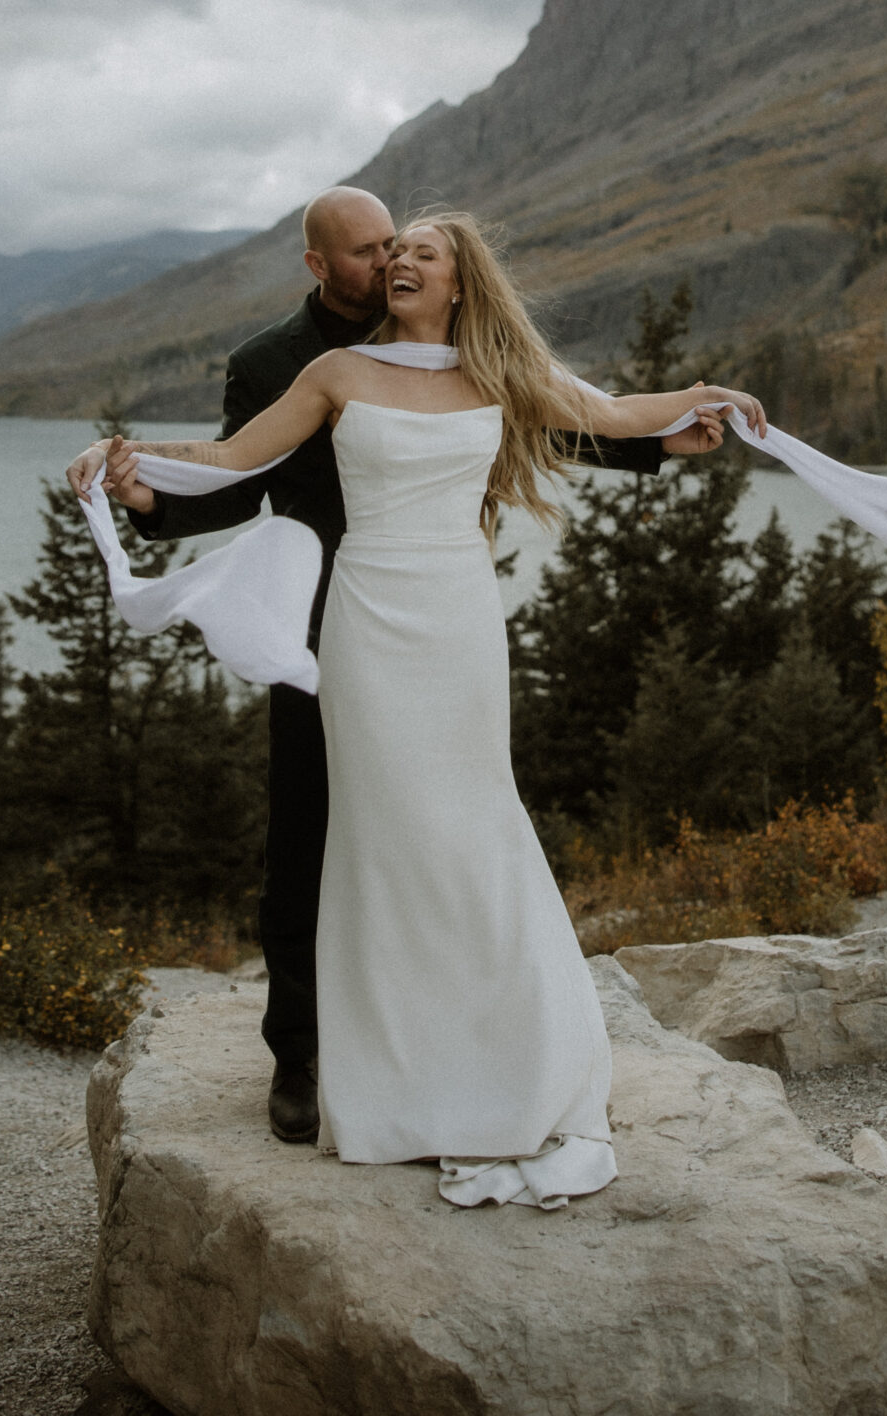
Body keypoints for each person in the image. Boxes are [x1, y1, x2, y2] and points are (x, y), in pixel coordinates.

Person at [82, 207, 763, 1207]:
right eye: (387, 251)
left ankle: (498, 1048)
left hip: (457, 615)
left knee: (472, 821)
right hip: (357, 616)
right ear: (332, 264)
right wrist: (130, 467)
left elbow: (610, 413)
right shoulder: (325, 370)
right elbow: (234, 461)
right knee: (361, 834)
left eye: (417, 251)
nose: (397, 260)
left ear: (458, 281)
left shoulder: (499, 372)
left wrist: (702, 407)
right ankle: (350, 1068)